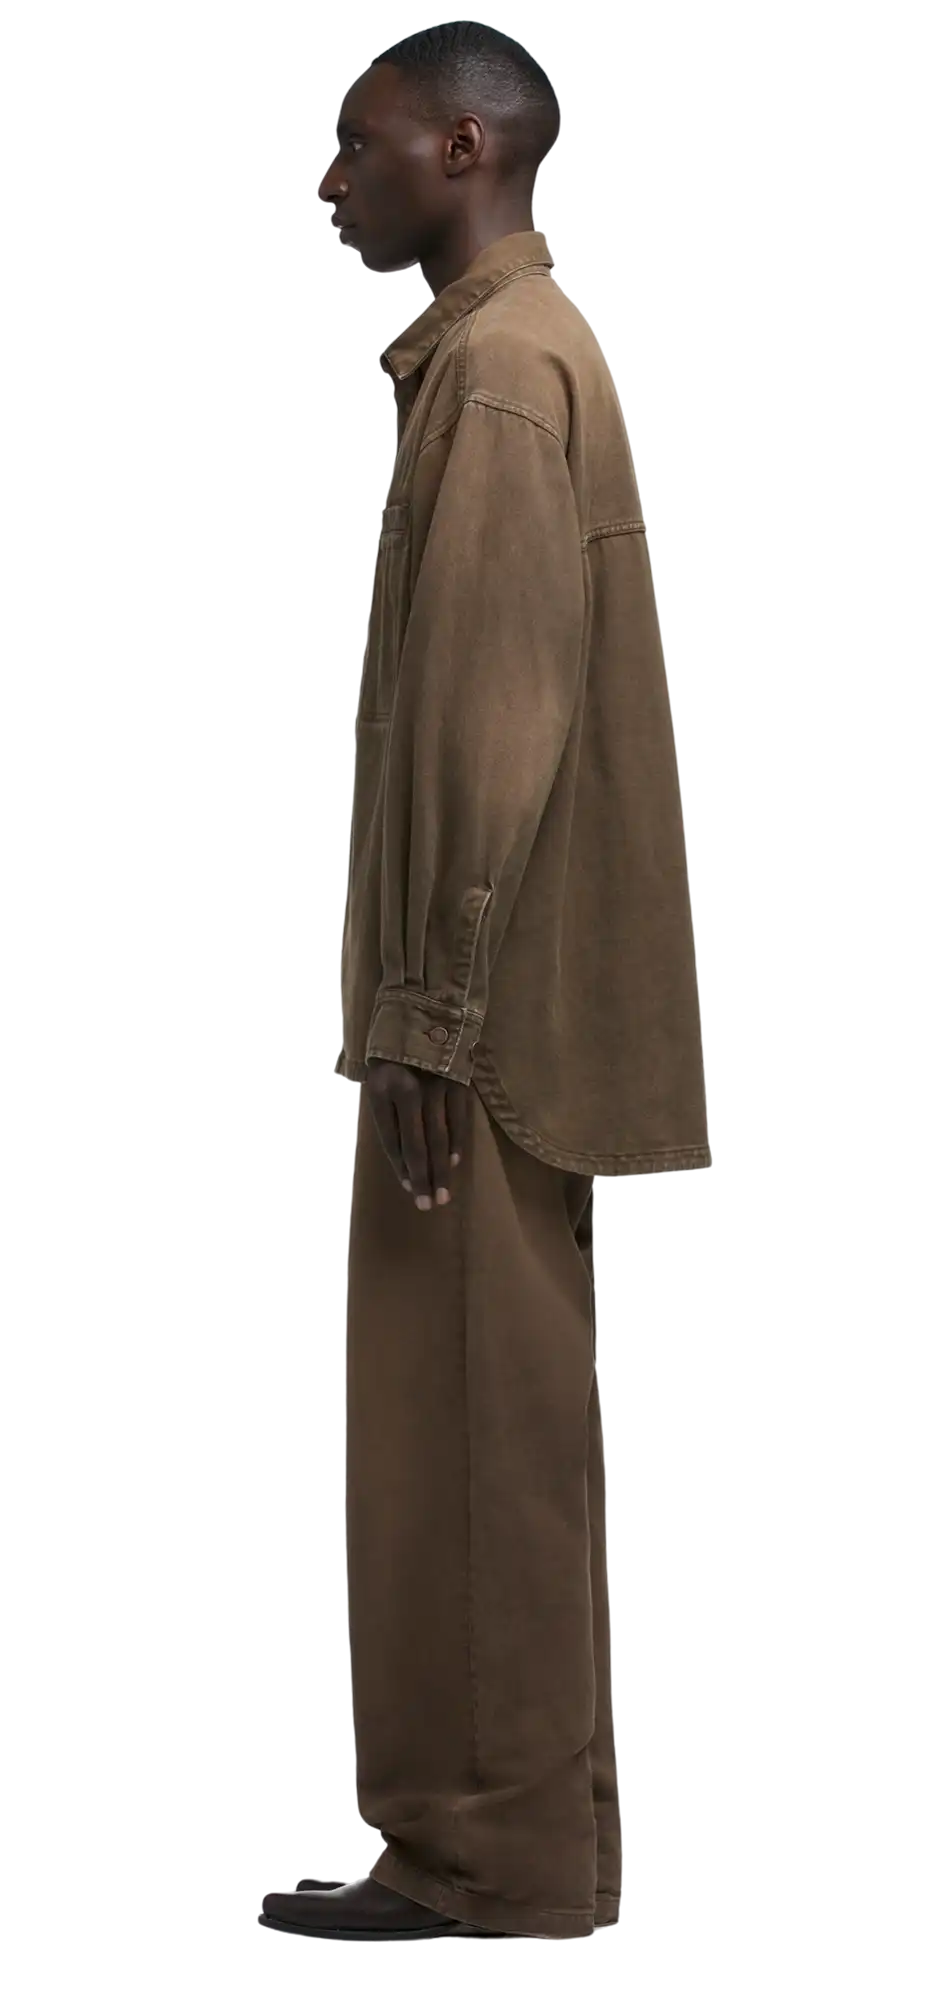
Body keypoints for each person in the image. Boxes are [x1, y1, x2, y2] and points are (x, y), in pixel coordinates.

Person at [259, 20, 711, 1945]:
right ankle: (517, 1850)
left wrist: (427, 1017)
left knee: (459, 1447)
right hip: (511, 1009)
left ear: (462, 148)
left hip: (489, 1033)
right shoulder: (502, 356)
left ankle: (474, 1868)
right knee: (496, 1444)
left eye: (354, 144)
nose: (326, 179)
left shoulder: (504, 373)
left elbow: (491, 710)